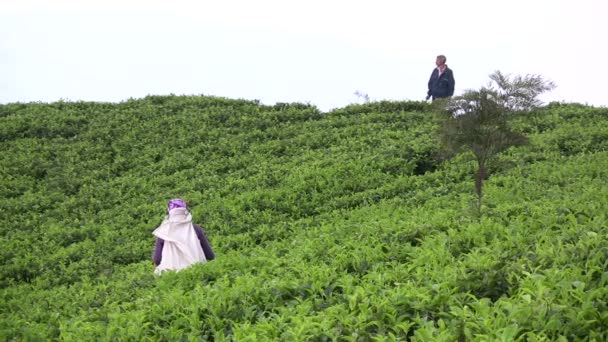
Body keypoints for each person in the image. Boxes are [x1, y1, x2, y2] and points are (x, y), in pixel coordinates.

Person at [152, 198, 215, 275]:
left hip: (170, 274)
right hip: (196, 271)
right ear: (185, 211)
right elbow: (210, 255)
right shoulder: (195, 229)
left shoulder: (164, 233)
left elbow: (157, 260)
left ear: (170, 212)